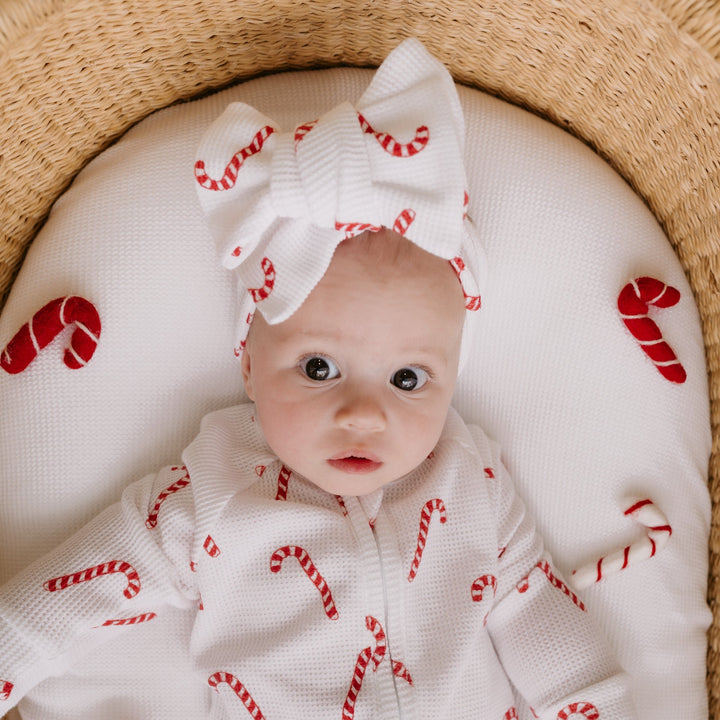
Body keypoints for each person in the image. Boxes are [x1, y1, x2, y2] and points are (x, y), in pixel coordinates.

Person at [0, 39, 636, 719]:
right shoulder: (208, 495)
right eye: (318, 368)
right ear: (248, 361)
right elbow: (61, 605)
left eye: (410, 379)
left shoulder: (472, 481)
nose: (363, 412)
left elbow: (545, 621)